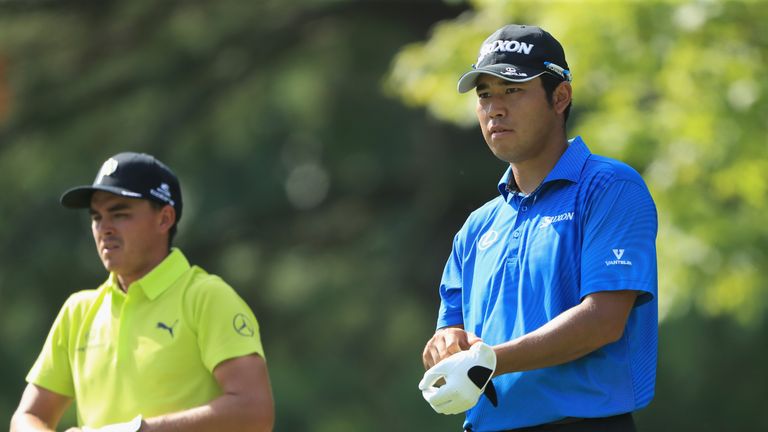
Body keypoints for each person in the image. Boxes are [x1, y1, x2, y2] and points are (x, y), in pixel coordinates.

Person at [420, 25, 658, 431]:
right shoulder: (477, 227)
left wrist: (490, 361)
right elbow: (451, 332)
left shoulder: (609, 187)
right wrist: (444, 347)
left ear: (560, 97)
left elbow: (602, 320)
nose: (495, 108)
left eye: (512, 90)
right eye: (485, 95)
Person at [11, 152, 274, 432]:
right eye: (97, 217)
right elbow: (27, 417)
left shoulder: (207, 297)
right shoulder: (78, 311)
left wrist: (140, 430)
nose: (104, 229)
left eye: (120, 214)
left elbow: (254, 410)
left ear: (165, 219)